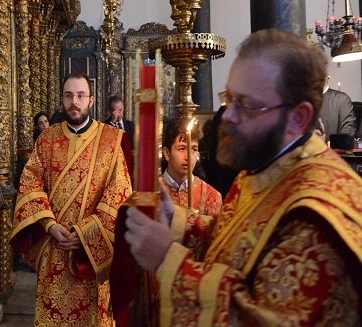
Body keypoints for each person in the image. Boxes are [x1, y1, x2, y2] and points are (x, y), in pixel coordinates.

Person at [118, 29, 362, 325]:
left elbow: (261, 319)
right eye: (229, 98)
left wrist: (167, 260)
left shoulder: (318, 215)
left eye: (246, 105)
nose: (229, 116)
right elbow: (240, 244)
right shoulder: (267, 166)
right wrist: (177, 224)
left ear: (298, 117)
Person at [10, 72, 132, 326]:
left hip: (90, 253)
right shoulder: (46, 140)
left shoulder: (111, 141)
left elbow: (119, 193)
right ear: (62, 100)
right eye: (68, 96)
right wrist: (50, 226)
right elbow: (30, 184)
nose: (74, 101)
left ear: (91, 100)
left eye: (80, 95)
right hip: (54, 247)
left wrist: (86, 233)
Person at [161, 118, 222, 215]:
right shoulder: (152, 192)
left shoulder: (212, 197)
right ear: (167, 153)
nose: (188, 157)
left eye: (193, 149)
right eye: (181, 149)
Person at [320, 75, 356, 140]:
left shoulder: (342, 99)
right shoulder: (303, 102)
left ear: (326, 75)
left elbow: (348, 132)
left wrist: (336, 144)